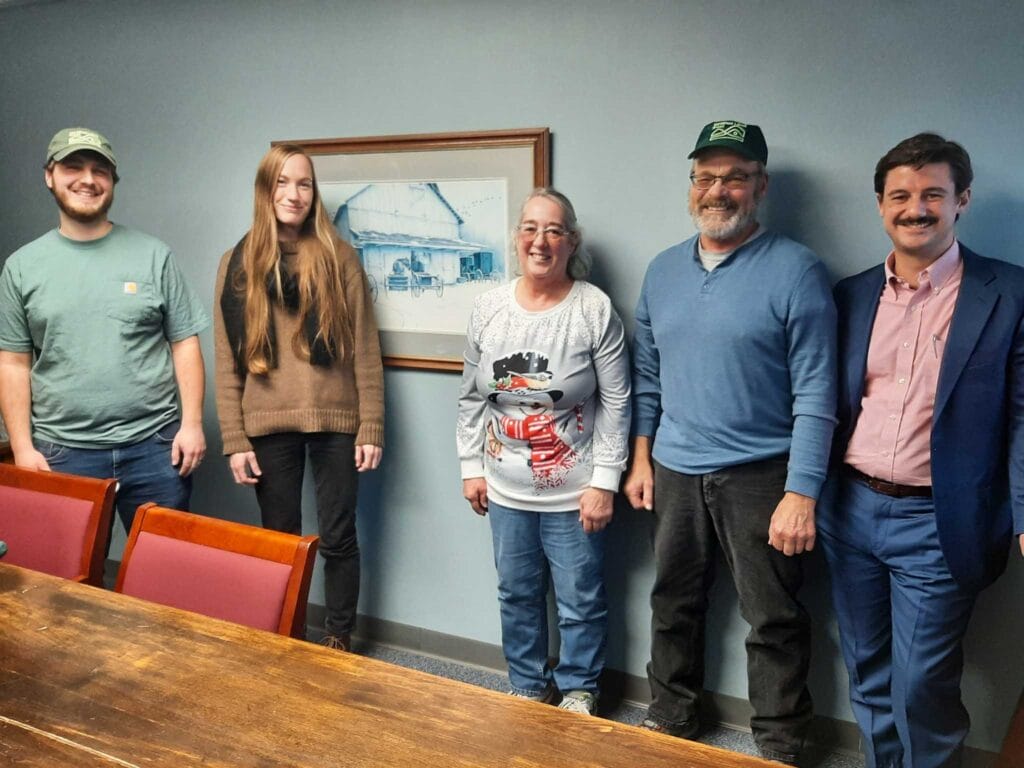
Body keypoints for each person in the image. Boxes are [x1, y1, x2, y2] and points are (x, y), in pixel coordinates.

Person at [624, 120, 837, 764]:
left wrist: (801, 492)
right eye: (707, 177)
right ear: (692, 187)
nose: (719, 190)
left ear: (760, 186)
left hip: (761, 476)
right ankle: (671, 714)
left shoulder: (798, 271)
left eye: (736, 177)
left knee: (772, 618)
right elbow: (649, 377)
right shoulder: (662, 271)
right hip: (674, 470)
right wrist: (641, 458)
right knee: (672, 602)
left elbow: (818, 392)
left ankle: (779, 743)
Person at [820, 133, 1024, 768]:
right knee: (868, 674)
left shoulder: (1009, 293)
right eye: (900, 195)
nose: (916, 208)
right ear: (880, 206)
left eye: (933, 194)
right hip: (849, 512)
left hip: (939, 521)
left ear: (960, 200)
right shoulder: (849, 295)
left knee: (921, 687)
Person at [457, 188, 631, 716]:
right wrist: (471, 468)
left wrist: (604, 482)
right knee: (516, 594)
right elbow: (470, 396)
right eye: (531, 228)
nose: (541, 240)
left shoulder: (594, 308)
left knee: (580, 601)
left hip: (575, 491)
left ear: (571, 241)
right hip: (505, 486)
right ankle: (528, 684)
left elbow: (618, 402)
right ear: (517, 238)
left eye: (554, 230)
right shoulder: (488, 308)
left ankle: (579, 688)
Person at [214, 144, 384, 651]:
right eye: (282, 183)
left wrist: (371, 425)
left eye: (304, 184)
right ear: (266, 191)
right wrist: (233, 439)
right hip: (266, 422)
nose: (294, 194)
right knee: (280, 541)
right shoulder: (236, 264)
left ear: (314, 193)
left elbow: (366, 351)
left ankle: (337, 638)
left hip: (337, 419)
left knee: (338, 538)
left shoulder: (339, 258)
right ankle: (286, 636)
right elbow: (227, 359)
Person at [0, 127, 208, 532]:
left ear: (112, 181)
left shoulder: (154, 255)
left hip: (155, 448)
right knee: (63, 584)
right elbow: (12, 362)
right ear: (49, 175)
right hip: (63, 452)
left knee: (161, 575)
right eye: (73, 167)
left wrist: (193, 424)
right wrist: (22, 447)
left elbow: (185, 343)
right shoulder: (22, 267)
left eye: (100, 170)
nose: (88, 179)